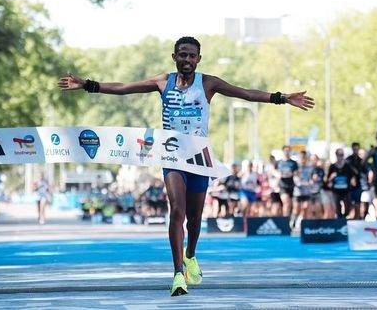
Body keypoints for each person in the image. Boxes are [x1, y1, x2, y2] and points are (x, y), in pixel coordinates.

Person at [58, 36, 314, 296]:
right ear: (174, 57)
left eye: (192, 56)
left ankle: (190, 255)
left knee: (194, 219)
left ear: (198, 59)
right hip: (171, 157)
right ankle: (178, 273)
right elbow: (124, 87)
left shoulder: (208, 83)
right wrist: (87, 84)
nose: (187, 60)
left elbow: (246, 93)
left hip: (199, 158)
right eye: (182, 55)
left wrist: (282, 98)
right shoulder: (162, 82)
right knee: (177, 210)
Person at [327, 148, 356, 219]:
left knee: (348, 206)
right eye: (339, 155)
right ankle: (340, 220)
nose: (341, 157)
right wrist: (331, 177)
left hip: (346, 190)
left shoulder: (347, 165)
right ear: (336, 155)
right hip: (336, 191)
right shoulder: (332, 166)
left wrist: (353, 180)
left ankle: (344, 216)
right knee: (337, 207)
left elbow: (353, 175)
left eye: (342, 155)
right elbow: (327, 179)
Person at [277, 145, 299, 218]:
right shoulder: (279, 162)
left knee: (291, 205)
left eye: (288, 151)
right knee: (286, 203)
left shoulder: (293, 163)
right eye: (285, 150)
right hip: (282, 185)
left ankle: (289, 220)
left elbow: (297, 172)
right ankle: (285, 221)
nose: (287, 152)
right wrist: (278, 174)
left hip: (291, 185)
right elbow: (273, 170)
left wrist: (291, 173)